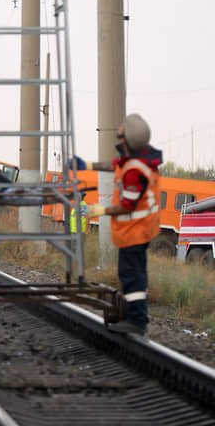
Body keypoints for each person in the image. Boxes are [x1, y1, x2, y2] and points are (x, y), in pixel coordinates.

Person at [84, 114, 161, 336]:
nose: (117, 139)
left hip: (135, 229)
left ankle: (136, 321)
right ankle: (134, 317)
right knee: (134, 272)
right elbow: (113, 165)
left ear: (127, 139)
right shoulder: (138, 160)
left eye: (120, 135)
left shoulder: (135, 171)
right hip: (139, 228)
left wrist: (100, 210)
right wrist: (88, 165)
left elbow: (127, 205)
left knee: (132, 274)